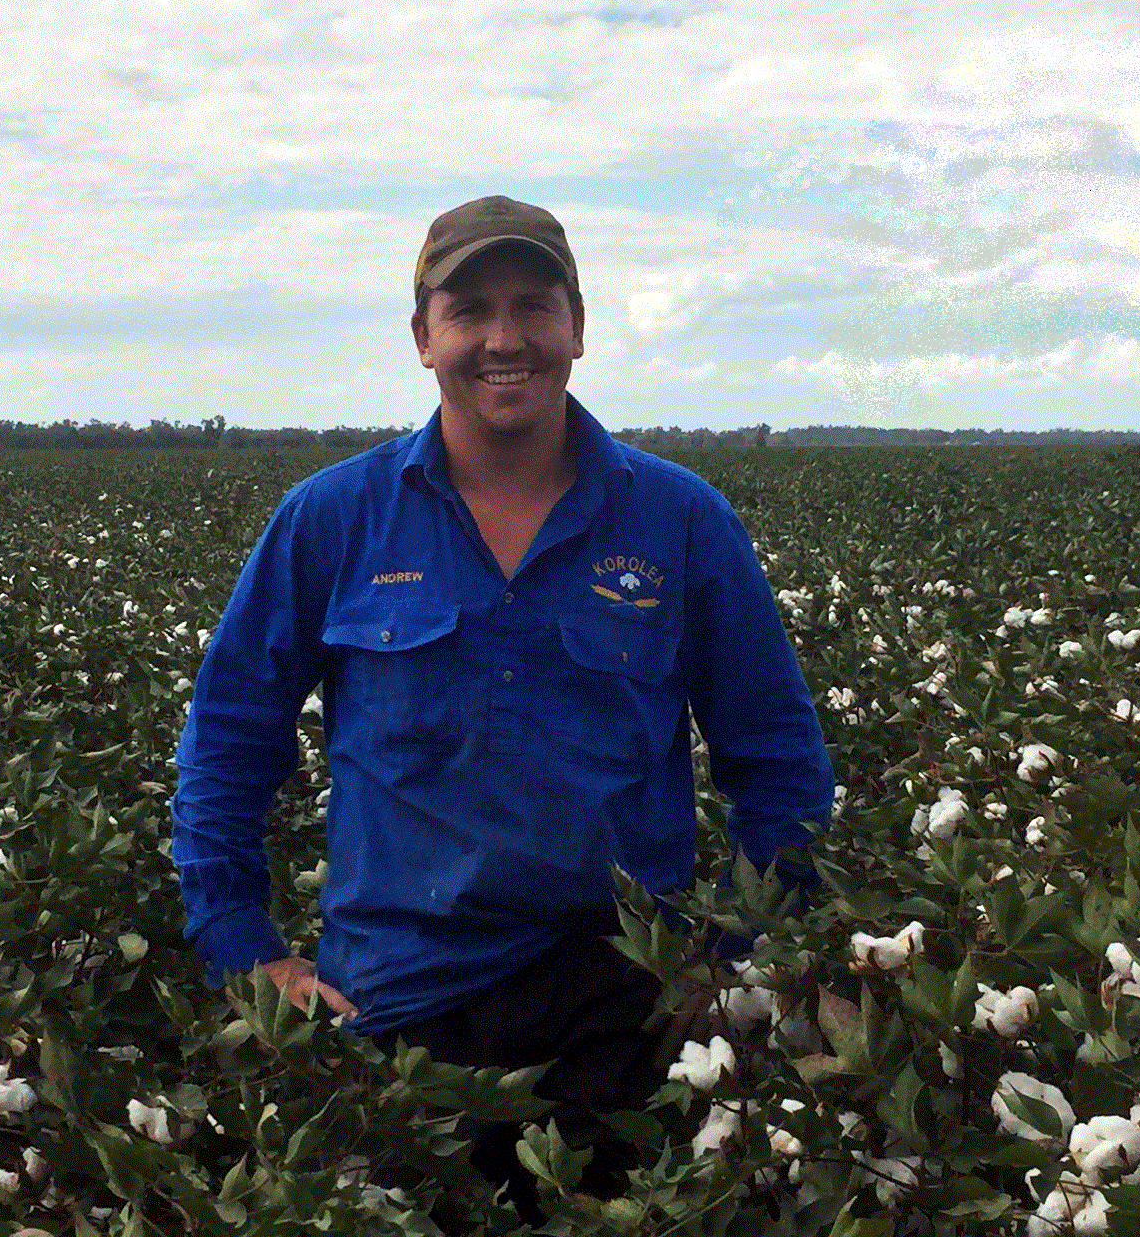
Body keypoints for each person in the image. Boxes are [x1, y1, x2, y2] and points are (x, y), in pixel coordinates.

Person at [168, 195, 834, 1217]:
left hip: (630, 1010)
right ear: (423, 337)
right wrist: (242, 946)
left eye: (533, 304)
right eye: (470, 308)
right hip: (394, 1008)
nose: (504, 337)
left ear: (578, 327)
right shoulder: (331, 519)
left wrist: (732, 954)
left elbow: (778, 757)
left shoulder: (680, 520)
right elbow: (227, 739)